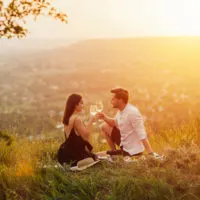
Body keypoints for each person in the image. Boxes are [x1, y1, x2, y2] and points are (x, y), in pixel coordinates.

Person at [98, 88, 159, 157]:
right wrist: (104, 118)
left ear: (120, 100)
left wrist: (150, 153)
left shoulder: (132, 112)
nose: (111, 101)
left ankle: (116, 155)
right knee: (104, 126)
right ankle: (115, 154)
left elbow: (141, 133)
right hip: (124, 143)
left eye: (113, 99)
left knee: (98, 155)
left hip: (132, 151)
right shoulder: (121, 110)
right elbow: (114, 123)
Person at [57, 94, 97, 166]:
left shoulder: (68, 118)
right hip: (75, 156)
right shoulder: (76, 119)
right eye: (81, 103)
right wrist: (91, 120)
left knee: (96, 155)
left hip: (65, 154)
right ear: (75, 104)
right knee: (96, 158)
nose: (82, 105)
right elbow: (86, 136)